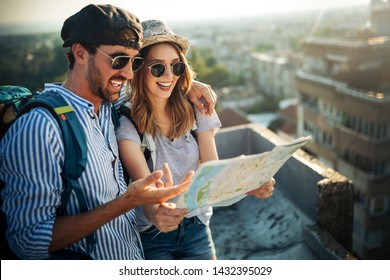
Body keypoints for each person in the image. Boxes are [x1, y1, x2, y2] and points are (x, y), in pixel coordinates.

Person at [0, 4, 217, 260]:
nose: (127, 73)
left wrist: (189, 85)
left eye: (134, 62)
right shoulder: (41, 127)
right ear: (80, 53)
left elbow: (153, 87)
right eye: (118, 60)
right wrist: (126, 202)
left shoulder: (107, 106)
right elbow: (28, 243)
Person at [116, 19, 276, 260]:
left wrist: (248, 184)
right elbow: (145, 193)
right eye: (158, 68)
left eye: (176, 67)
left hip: (197, 228)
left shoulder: (197, 110)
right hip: (153, 236)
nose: (169, 75)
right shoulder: (127, 123)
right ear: (138, 69)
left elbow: (212, 173)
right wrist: (156, 214)